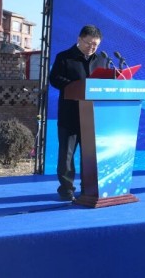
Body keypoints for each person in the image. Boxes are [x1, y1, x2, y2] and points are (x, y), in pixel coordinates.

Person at [48, 25, 104, 201]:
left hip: (92, 116)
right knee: (67, 155)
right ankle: (66, 190)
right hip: (70, 115)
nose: (92, 47)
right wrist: (75, 86)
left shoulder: (101, 60)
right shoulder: (64, 57)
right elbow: (54, 79)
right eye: (89, 43)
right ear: (79, 39)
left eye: (95, 45)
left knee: (90, 156)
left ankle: (88, 189)